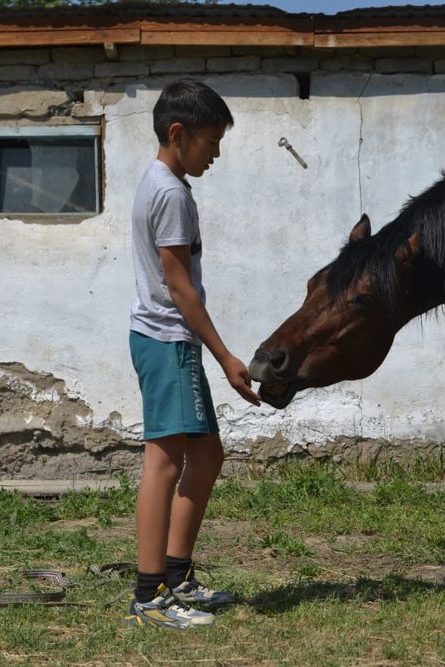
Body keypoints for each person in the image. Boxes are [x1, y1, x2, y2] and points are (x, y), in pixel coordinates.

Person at [125, 77, 261, 629]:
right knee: (164, 464)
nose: (217, 153)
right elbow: (180, 288)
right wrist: (227, 356)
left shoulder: (161, 182)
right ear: (178, 134)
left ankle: (178, 574)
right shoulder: (172, 193)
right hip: (167, 340)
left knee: (206, 456)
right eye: (210, 142)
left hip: (168, 341)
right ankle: (149, 595)